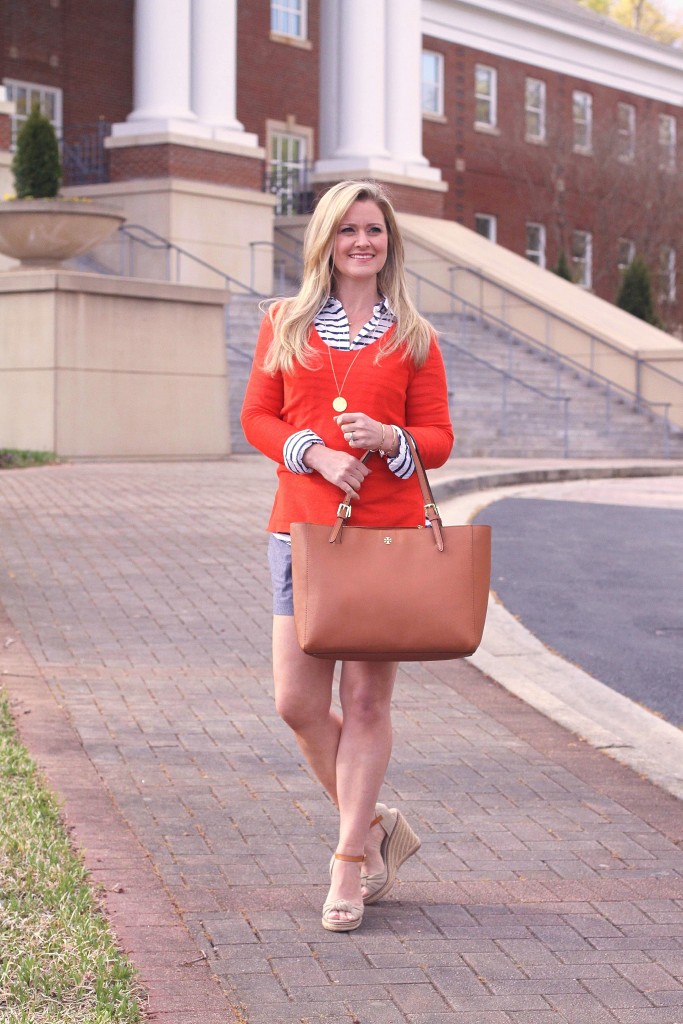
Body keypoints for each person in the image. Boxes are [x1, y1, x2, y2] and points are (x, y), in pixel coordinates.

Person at [241, 179, 454, 932]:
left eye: (374, 229)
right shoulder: (286, 321)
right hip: (299, 530)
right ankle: (373, 826)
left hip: (383, 539)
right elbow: (257, 417)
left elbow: (438, 438)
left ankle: (347, 863)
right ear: (325, 240)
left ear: (388, 242)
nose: (362, 241)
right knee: (295, 702)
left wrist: (392, 440)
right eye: (348, 230)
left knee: (367, 701)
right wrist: (317, 456)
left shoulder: (413, 335)